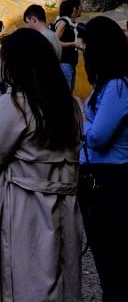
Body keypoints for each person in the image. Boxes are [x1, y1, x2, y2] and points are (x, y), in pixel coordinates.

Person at [0, 28, 81, 302]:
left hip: (23, 208)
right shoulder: (73, 106)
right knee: (60, 281)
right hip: (65, 206)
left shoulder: (15, 105)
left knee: (23, 284)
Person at [80, 15, 128, 301]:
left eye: (86, 44)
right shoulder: (109, 86)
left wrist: (79, 123)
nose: (82, 49)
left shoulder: (117, 88)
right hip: (102, 180)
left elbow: (98, 136)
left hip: (111, 182)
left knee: (114, 266)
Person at [54, 0, 83, 91]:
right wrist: (73, 44)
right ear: (75, 9)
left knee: (69, 91)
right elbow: (55, 41)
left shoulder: (71, 24)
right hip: (64, 63)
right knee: (65, 93)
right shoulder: (63, 22)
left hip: (70, 63)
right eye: (80, 6)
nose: (81, 9)